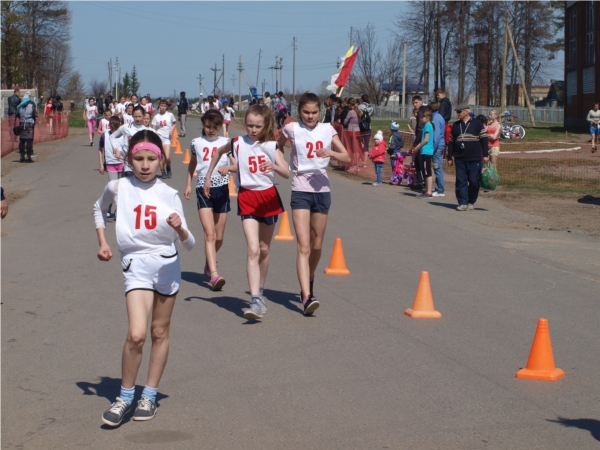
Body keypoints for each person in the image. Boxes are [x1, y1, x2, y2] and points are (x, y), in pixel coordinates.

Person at [94, 129, 195, 427]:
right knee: (137, 334)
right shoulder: (118, 187)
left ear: (161, 160)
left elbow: (189, 245)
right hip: (135, 264)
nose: (145, 164)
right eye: (139, 158)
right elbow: (98, 209)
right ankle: (125, 397)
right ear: (129, 159)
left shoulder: (169, 195)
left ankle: (148, 395)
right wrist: (103, 241)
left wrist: (180, 230)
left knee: (159, 332)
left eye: (152, 158)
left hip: (166, 266)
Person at [204, 104, 289, 320]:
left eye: (257, 126)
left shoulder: (271, 146)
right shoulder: (237, 143)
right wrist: (207, 177)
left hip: (268, 197)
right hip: (247, 197)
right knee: (252, 249)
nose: (253, 130)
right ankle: (255, 300)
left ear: (265, 124)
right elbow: (217, 152)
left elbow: (286, 172)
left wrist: (275, 168)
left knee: (264, 249)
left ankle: (260, 291)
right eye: (249, 125)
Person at [277, 93, 350, 315]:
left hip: (322, 190)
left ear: (320, 111)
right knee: (304, 245)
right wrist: (283, 166)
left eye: (314, 112)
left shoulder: (328, 129)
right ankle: (307, 296)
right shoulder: (291, 129)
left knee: (317, 246)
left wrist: (330, 152)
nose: (310, 116)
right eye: (306, 112)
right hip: (300, 190)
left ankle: (309, 277)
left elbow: (347, 157)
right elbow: (277, 146)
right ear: (299, 111)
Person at [184, 110, 232, 291]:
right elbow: (192, 164)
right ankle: (214, 274)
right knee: (209, 234)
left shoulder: (226, 143)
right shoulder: (196, 143)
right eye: (208, 126)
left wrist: (229, 167)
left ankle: (208, 261)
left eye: (215, 127)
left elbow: (235, 164)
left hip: (222, 189)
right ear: (203, 125)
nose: (211, 130)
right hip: (202, 190)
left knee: (219, 237)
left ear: (221, 126)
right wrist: (188, 184)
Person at [447, 104, 489, 211]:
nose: (457, 114)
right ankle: (462, 202)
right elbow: (451, 142)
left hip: (474, 158)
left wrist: (485, 154)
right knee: (461, 181)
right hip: (460, 158)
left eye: (459, 112)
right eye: (457, 112)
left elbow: (484, 139)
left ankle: (471, 201)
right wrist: (449, 157)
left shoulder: (477, 123)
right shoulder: (456, 125)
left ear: (466, 112)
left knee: (474, 181)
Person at [110, 106, 153, 177]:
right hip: (128, 160)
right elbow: (112, 137)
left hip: (141, 160)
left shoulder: (147, 130)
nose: (138, 119)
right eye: (135, 116)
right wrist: (116, 149)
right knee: (130, 180)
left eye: (140, 116)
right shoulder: (125, 127)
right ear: (132, 116)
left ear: (143, 116)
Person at [98, 116, 124, 218]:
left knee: (121, 188)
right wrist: (101, 164)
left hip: (122, 164)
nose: (114, 130)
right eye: (112, 127)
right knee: (113, 187)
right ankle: (108, 207)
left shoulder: (123, 135)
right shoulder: (104, 136)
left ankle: (119, 209)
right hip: (110, 164)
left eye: (116, 127)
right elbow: (100, 149)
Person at [411, 110, 435, 199]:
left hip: (427, 151)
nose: (421, 119)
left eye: (422, 117)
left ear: (427, 117)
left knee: (427, 171)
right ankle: (427, 191)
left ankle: (429, 192)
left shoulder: (428, 125)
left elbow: (426, 139)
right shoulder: (427, 125)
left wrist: (417, 148)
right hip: (425, 151)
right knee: (426, 171)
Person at [152, 99, 177, 179]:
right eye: (161, 106)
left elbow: (174, 124)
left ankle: (168, 167)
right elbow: (153, 127)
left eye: (164, 106)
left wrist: (172, 130)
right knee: (160, 156)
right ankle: (163, 172)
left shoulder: (170, 115)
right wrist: (154, 133)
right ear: (159, 106)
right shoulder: (156, 117)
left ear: (166, 107)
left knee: (167, 157)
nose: (162, 107)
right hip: (159, 137)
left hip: (167, 138)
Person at [411, 96, 429, 188]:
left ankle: (422, 181)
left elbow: (419, 128)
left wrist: (415, 143)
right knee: (421, 162)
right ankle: (422, 181)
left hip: (422, 140)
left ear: (421, 101)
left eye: (416, 102)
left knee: (420, 162)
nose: (415, 104)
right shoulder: (425, 110)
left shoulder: (421, 112)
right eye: (413, 103)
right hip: (424, 139)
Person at [429, 102, 446, 197]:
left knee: (437, 167)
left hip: (437, 145)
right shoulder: (440, 117)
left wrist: (433, 148)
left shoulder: (435, 118)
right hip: (441, 144)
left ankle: (440, 190)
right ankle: (439, 188)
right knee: (438, 167)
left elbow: (436, 135)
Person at [16, 91, 38, 163]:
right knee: (29, 140)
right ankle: (28, 157)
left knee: (22, 140)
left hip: (22, 123)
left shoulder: (20, 105)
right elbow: (35, 114)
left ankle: (22, 157)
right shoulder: (32, 104)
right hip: (30, 124)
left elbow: (17, 115)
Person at [343, 98, 362, 168]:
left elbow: (345, 121)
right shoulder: (358, 111)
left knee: (351, 148)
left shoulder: (351, 112)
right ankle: (356, 163)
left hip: (351, 130)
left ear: (350, 105)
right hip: (357, 130)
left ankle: (352, 162)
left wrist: (344, 122)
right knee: (356, 148)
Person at [358, 94, 374, 164]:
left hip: (361, 127)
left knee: (360, 143)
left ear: (362, 99)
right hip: (368, 127)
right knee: (366, 144)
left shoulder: (360, 106)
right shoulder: (371, 107)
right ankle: (365, 162)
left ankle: (360, 158)